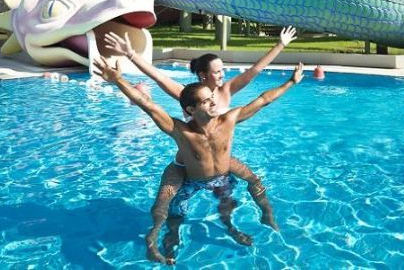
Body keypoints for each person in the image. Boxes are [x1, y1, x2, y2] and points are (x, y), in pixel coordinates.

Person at [103, 26, 297, 260]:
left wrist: (291, 81)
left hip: (221, 167)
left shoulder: (228, 114)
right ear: (191, 109)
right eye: (206, 101)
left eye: (212, 99)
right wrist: (120, 77)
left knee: (245, 188)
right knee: (165, 207)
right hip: (186, 169)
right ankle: (157, 239)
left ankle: (257, 219)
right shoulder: (182, 124)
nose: (213, 102)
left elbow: (263, 98)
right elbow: (149, 103)